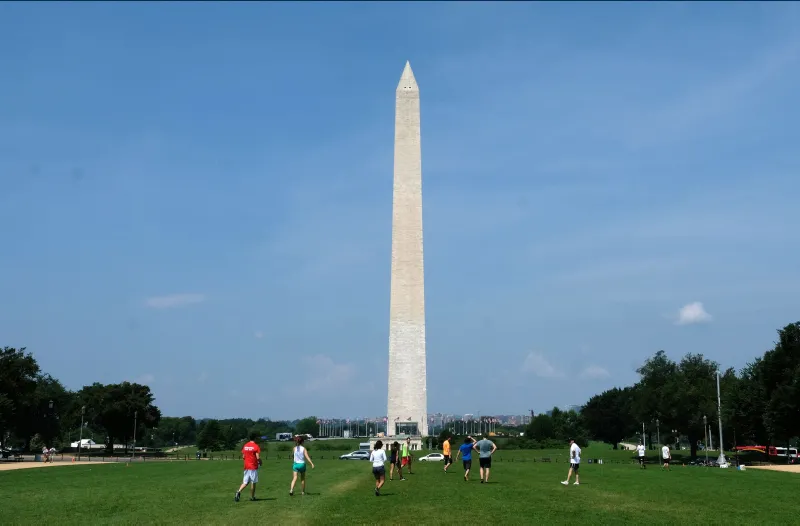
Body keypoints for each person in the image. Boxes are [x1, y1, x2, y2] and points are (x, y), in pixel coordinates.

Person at [235, 433, 261, 502]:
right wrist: (260, 462)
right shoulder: (256, 446)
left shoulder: (245, 445)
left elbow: (243, 456)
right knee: (253, 482)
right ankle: (252, 497)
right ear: (255, 438)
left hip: (246, 466)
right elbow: (258, 457)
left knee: (245, 482)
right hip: (253, 467)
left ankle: (238, 492)